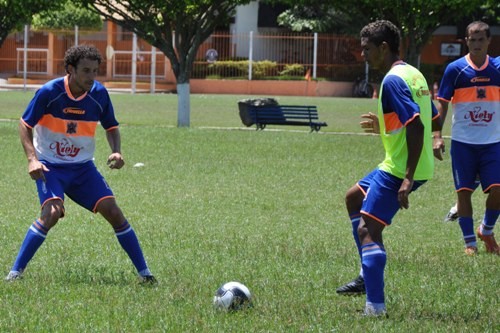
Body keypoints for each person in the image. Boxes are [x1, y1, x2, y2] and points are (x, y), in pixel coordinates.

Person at [5, 45, 157, 283]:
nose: (91, 77)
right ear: (70, 69)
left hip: (83, 168)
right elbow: (24, 124)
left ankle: (145, 275)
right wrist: (32, 159)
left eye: (95, 71)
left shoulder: (99, 94)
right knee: (51, 213)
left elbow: (111, 127)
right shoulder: (49, 92)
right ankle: (15, 273)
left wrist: (116, 151)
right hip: (50, 166)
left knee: (113, 211)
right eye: (85, 70)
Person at [335, 20, 441, 316]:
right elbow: (431, 114)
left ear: (384, 48)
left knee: (367, 229)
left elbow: (415, 126)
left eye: (367, 49)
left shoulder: (393, 81)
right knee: (353, 197)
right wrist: (385, 124)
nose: (363, 55)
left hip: (400, 169)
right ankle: (365, 275)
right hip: (402, 164)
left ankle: (375, 308)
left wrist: (407, 179)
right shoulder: (413, 73)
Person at [433, 21, 500, 255]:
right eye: (473, 39)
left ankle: (487, 229)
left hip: (493, 143)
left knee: (498, 189)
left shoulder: (498, 68)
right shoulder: (455, 69)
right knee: (463, 193)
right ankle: (470, 243)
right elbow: (441, 105)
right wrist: (437, 136)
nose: (477, 44)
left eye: (482, 39)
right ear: (466, 41)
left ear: (489, 41)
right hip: (464, 144)